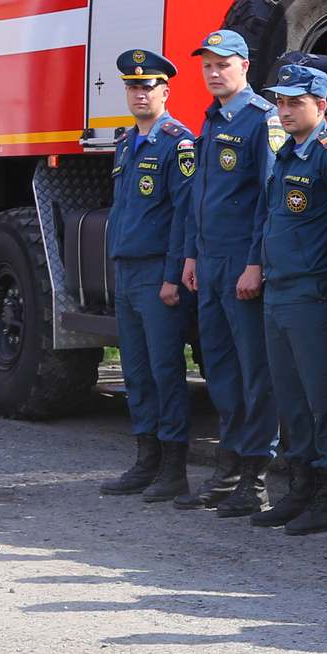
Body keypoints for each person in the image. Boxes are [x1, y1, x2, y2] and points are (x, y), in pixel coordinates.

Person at [247, 62, 327, 536]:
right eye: (281, 101)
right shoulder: (288, 153)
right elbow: (270, 218)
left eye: (296, 102)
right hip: (280, 290)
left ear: (320, 104)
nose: (286, 110)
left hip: (313, 294)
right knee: (291, 399)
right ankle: (300, 488)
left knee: (324, 398)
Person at [177, 30, 280, 516]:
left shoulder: (261, 119)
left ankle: (255, 475)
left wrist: (255, 262)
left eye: (223, 64)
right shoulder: (212, 119)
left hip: (241, 263)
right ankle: (230, 464)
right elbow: (203, 196)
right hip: (211, 262)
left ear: (244, 65)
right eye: (208, 66)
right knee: (217, 367)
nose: (214, 73)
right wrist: (194, 255)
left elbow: (267, 198)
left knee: (251, 371)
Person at [98, 48, 197, 505]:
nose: (140, 93)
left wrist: (173, 275)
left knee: (165, 371)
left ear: (165, 91)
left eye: (148, 86)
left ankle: (174, 469)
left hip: (159, 273)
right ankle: (146, 459)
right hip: (128, 270)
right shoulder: (125, 144)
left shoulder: (178, 143)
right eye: (133, 87)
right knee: (135, 371)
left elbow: (184, 214)